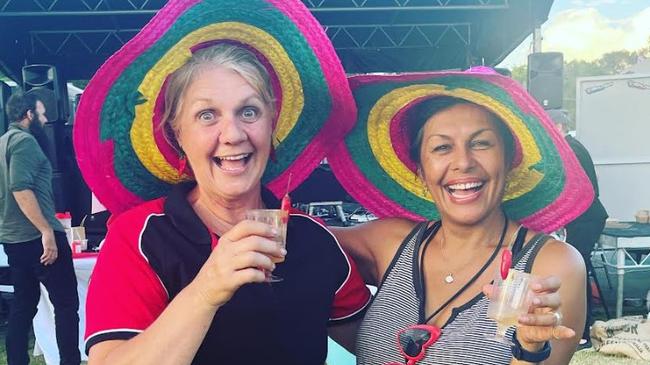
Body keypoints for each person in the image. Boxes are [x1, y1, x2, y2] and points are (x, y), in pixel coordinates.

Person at [74, 1, 369, 364]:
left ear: (270, 124)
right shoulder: (140, 238)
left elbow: (381, 345)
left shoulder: (314, 240)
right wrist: (207, 289)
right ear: (177, 133)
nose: (232, 134)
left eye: (249, 112)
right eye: (207, 114)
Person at [328, 68, 593, 364]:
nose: (463, 162)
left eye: (481, 143)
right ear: (421, 172)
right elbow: (300, 237)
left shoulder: (549, 265)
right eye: (442, 147)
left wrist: (529, 349)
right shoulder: (389, 243)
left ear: (509, 160)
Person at [0, 92, 80, 365]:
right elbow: (19, 187)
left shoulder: (3, 143)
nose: (46, 120)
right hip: (37, 237)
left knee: (23, 305)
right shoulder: (25, 142)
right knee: (66, 305)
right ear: (29, 115)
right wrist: (46, 231)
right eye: (42, 114)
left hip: (14, 240)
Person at [547, 108, 608, 345]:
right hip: (583, 217)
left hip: (584, 219)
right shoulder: (572, 147)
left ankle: (580, 331)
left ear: (559, 127)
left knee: (576, 270)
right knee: (577, 269)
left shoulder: (570, 149)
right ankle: (580, 328)